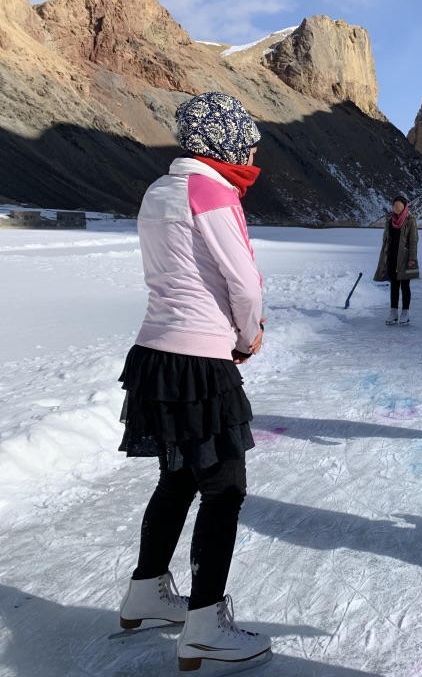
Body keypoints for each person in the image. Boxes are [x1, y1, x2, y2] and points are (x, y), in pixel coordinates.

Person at [116, 91, 271, 670]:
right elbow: (245, 284)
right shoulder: (211, 188)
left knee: (177, 477)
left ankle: (146, 592)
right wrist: (245, 338)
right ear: (223, 138)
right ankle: (206, 624)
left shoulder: (159, 188)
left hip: (154, 352)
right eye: (247, 138)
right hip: (201, 358)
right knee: (224, 488)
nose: (253, 149)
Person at [373, 195, 419, 325]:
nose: (397, 208)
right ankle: (393, 312)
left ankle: (405, 312)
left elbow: (413, 241)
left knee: (405, 285)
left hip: (405, 259)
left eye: (400, 206)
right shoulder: (389, 221)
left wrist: (412, 258)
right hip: (391, 257)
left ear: (404, 207)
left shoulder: (410, 220)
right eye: (395, 206)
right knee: (394, 285)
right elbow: (386, 240)